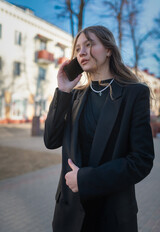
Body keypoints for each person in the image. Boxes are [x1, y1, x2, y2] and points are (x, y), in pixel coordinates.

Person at [44, 25, 154, 232]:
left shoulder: (134, 94)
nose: (82, 52)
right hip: (69, 214)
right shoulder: (73, 95)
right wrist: (63, 91)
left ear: (109, 49)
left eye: (89, 44)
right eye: (78, 49)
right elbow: (50, 141)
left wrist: (87, 179)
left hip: (111, 214)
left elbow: (142, 161)